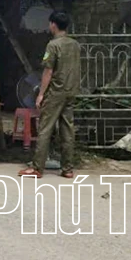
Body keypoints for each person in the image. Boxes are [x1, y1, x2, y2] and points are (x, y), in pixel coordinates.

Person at [20, 11, 81, 179]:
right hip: (71, 91)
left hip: (56, 92)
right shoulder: (75, 45)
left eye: (49, 23)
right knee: (67, 130)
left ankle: (37, 167)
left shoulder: (53, 45)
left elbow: (48, 71)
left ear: (53, 24)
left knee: (45, 128)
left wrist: (41, 94)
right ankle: (68, 168)